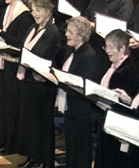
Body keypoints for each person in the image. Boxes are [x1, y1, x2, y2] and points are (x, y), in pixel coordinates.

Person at [0, 0, 34, 156]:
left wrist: (0, 33)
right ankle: (1, 139)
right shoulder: (7, 9)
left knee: (12, 106)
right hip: (3, 63)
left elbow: (19, 44)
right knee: (3, 104)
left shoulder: (24, 15)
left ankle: (12, 143)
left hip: (14, 66)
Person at [14, 0, 61, 168]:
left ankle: (44, 159)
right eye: (33, 10)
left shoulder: (52, 32)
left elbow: (41, 54)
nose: (35, 14)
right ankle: (33, 156)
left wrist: (23, 58)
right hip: (28, 80)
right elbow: (23, 48)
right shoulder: (33, 27)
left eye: (39, 10)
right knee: (30, 122)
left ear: (48, 10)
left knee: (41, 123)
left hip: (42, 85)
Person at [94, 29, 139, 168]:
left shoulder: (128, 71)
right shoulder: (115, 66)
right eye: (106, 46)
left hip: (116, 125)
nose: (107, 51)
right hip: (108, 120)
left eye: (111, 47)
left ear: (122, 48)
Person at [53, 16, 97, 168]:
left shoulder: (88, 56)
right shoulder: (73, 51)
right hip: (71, 108)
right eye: (67, 30)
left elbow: (83, 85)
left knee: (80, 149)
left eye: (70, 31)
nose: (66, 34)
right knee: (72, 146)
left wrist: (58, 80)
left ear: (81, 34)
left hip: (80, 111)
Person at [84, 0, 134, 80]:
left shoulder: (124, 1)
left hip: (107, 52)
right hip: (91, 44)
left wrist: (95, 26)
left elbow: (121, 29)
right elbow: (88, 13)